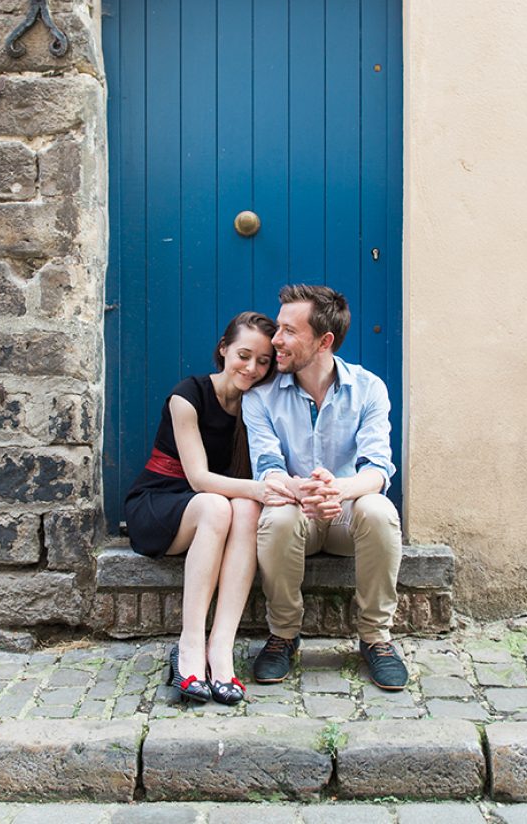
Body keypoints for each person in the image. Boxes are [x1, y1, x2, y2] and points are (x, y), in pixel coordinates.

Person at [242, 284, 408, 691]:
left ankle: (375, 638)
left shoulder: (369, 389)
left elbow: (379, 469)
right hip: (296, 514)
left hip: (346, 518)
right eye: (277, 328)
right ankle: (283, 634)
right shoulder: (260, 398)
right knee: (277, 517)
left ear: (324, 341)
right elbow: (268, 469)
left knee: (380, 510)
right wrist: (304, 491)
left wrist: (340, 491)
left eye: (288, 331)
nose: (275, 340)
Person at [123, 312, 277, 705]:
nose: (252, 368)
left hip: (215, 508)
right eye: (244, 355)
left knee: (244, 509)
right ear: (223, 349)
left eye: (263, 361)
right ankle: (190, 646)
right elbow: (198, 479)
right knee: (218, 505)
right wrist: (263, 489)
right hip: (159, 501)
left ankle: (221, 649)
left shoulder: (257, 405)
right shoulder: (187, 396)